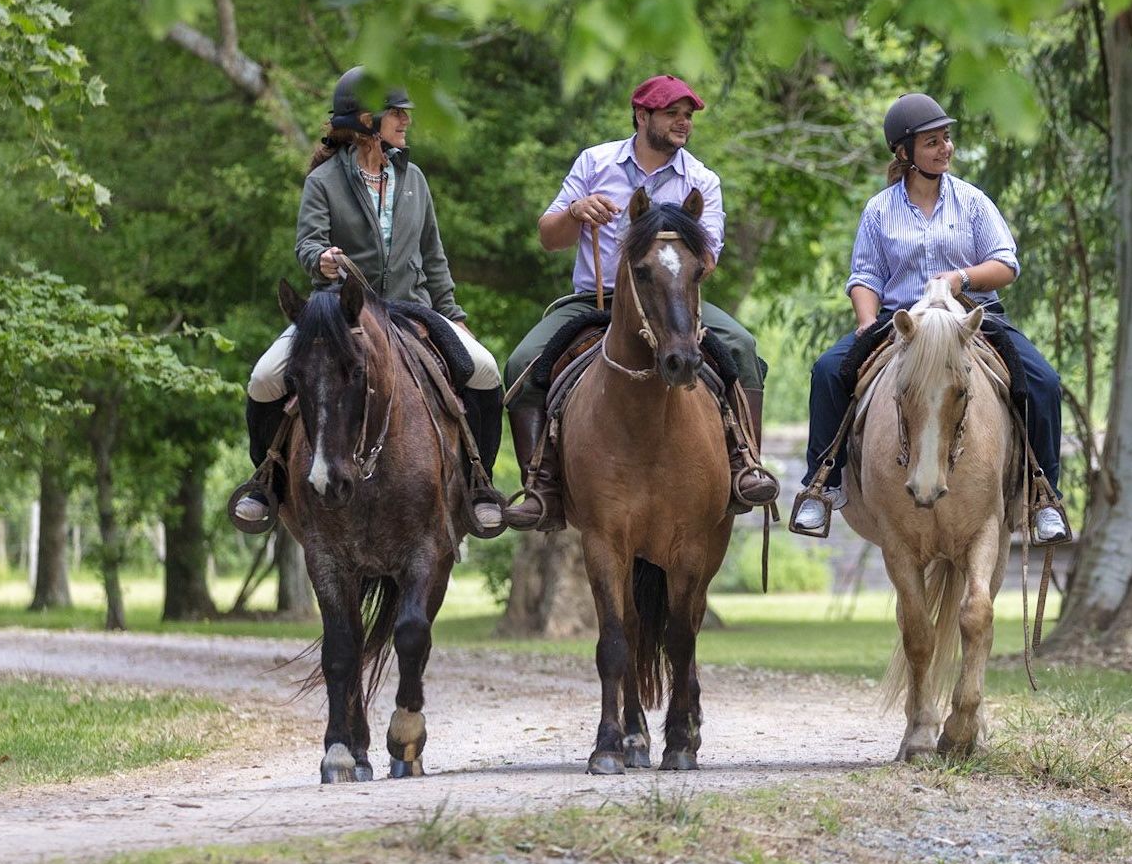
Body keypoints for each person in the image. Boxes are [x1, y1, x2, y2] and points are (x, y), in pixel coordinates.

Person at [229, 67, 508, 536]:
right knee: (263, 378)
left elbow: (433, 255)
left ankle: (479, 483)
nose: (406, 121)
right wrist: (324, 261)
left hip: (411, 309)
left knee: (486, 370)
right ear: (365, 120)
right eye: (397, 113)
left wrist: (454, 315)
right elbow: (307, 245)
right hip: (340, 311)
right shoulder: (323, 182)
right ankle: (267, 482)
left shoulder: (414, 179)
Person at [788, 93, 1070, 545]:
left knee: (1043, 383)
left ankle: (1044, 498)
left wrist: (961, 278)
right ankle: (821, 486)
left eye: (946, 139)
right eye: (932, 142)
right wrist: (865, 321)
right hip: (902, 321)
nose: (945, 148)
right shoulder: (879, 209)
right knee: (826, 372)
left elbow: (1005, 264)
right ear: (904, 152)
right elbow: (864, 275)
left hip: (969, 321)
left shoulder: (973, 202)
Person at [500, 75, 779, 531]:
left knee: (742, 347)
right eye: (672, 114)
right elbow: (549, 237)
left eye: (687, 116)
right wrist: (575, 212)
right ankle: (540, 486)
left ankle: (745, 464)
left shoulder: (702, 180)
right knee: (523, 362)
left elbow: (708, 259)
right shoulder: (595, 162)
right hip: (596, 300)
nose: (682, 123)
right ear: (642, 115)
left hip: (671, 300)